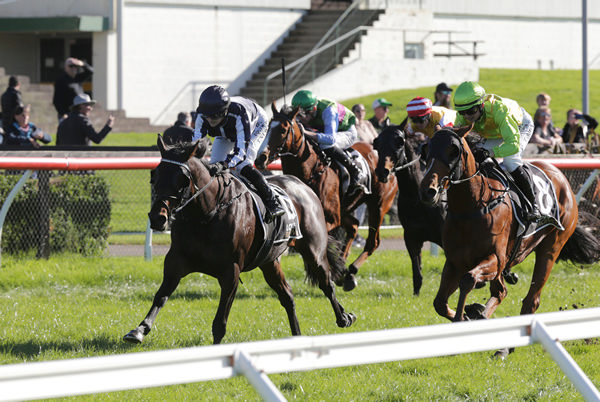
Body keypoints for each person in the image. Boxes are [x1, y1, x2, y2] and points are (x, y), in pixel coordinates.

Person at [193, 85, 284, 222]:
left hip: (256, 124)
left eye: (215, 116)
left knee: (243, 164)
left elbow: (240, 153)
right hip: (226, 132)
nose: (210, 121)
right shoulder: (201, 115)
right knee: (212, 166)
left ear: (225, 111)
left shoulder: (240, 113)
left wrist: (224, 164)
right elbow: (195, 147)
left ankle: (272, 201)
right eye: (208, 117)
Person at [453, 81, 540, 221]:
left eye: (471, 111)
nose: (467, 116)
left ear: (481, 105)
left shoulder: (499, 110)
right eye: (462, 112)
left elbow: (513, 145)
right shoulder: (462, 117)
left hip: (519, 126)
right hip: (494, 133)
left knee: (511, 162)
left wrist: (490, 153)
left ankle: (533, 206)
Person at [291, 89, 366, 196]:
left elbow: (330, 139)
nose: (302, 118)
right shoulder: (306, 110)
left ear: (314, 108)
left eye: (305, 114)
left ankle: (354, 170)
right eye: (299, 114)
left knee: (325, 144)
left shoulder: (329, 111)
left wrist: (306, 132)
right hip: (324, 130)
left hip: (345, 132)